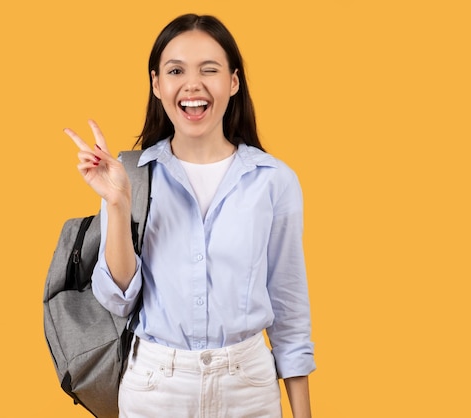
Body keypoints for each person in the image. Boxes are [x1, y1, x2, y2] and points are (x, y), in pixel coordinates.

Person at [64, 13, 315, 418]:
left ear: (233, 82)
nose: (193, 84)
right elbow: (117, 298)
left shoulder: (273, 181)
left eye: (209, 70)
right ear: (157, 84)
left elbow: (289, 311)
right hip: (156, 387)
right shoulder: (130, 175)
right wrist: (117, 204)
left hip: (248, 387)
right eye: (176, 70)